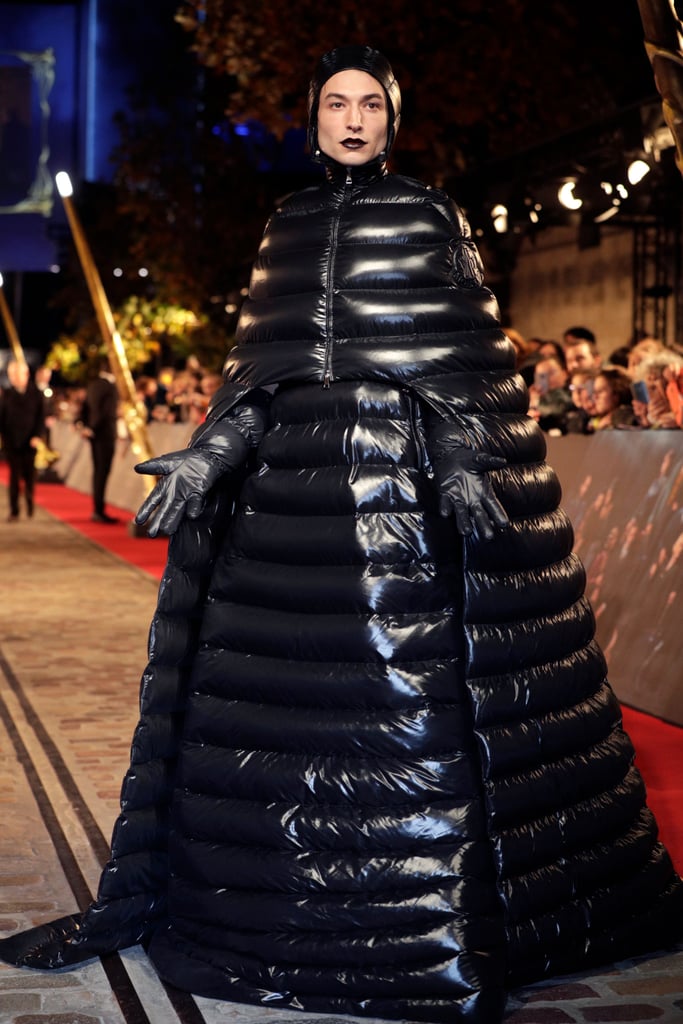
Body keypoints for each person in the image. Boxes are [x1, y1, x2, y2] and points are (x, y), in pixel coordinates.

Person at [0, 46, 681, 1024]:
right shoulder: (285, 225)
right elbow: (261, 377)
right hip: (289, 514)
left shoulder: (427, 216)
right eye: (335, 102)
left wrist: (459, 455)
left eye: (370, 104)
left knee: (415, 719)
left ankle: (428, 928)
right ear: (312, 116)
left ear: (391, 118)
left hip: (401, 514)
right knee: (282, 710)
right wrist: (209, 451)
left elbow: (463, 367)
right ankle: (282, 914)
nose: (352, 118)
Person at [0, 359, 45, 520]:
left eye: (16, 374)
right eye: (11, 375)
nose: (13, 378)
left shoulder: (36, 394)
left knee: (30, 476)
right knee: (14, 477)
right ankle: (14, 510)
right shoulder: (7, 394)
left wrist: (37, 436)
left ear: (25, 374)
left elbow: (41, 418)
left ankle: (30, 503)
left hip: (30, 442)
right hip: (12, 442)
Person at [78, 356, 120, 523]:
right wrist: (92, 427)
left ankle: (97, 508)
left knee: (97, 472)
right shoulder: (110, 387)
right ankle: (99, 510)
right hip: (105, 435)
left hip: (94, 435)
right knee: (103, 472)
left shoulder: (93, 384)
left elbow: (86, 407)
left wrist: (85, 426)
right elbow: (106, 412)